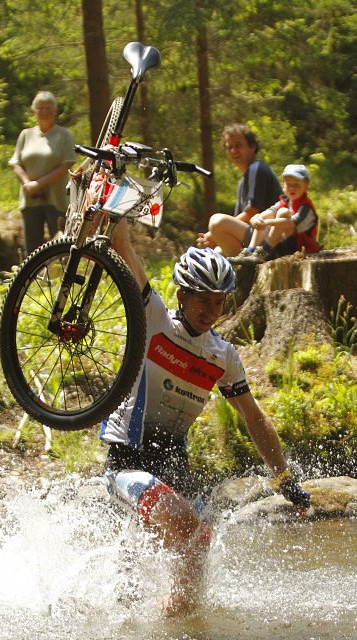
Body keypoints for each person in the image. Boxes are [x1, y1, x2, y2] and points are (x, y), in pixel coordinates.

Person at [102, 219, 311, 616]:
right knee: (180, 521)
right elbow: (123, 248)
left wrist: (284, 477)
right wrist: (120, 211)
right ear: (181, 295)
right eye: (202, 300)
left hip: (172, 463)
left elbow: (253, 417)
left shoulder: (223, 356)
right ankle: (125, 580)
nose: (211, 312)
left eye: (219, 302)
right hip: (127, 457)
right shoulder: (155, 320)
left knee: (200, 549)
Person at [207, 164, 320, 262]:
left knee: (283, 213)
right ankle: (251, 250)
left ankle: (265, 249)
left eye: (297, 185)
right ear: (283, 185)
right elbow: (265, 214)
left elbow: (293, 223)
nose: (292, 188)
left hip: (297, 246)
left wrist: (267, 222)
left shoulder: (305, 207)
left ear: (306, 186)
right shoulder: (285, 200)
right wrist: (257, 219)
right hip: (280, 242)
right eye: (288, 184)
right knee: (265, 215)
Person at [9, 91, 75, 256]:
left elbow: (67, 164)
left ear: (54, 111)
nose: (44, 111)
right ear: (34, 110)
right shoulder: (26, 135)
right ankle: (33, 280)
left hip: (57, 199)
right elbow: (16, 163)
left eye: (48, 108)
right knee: (32, 249)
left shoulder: (64, 135)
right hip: (31, 200)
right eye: (40, 108)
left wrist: (40, 183)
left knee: (61, 245)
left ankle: (62, 278)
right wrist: (27, 183)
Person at [197, 123, 282, 250]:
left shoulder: (257, 169)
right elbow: (241, 221)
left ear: (252, 146)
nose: (233, 151)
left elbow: (252, 212)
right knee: (215, 252)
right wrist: (215, 238)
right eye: (229, 147)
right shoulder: (244, 180)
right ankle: (242, 267)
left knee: (216, 222)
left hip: (270, 238)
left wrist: (214, 233)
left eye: (238, 146)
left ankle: (246, 266)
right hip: (255, 237)